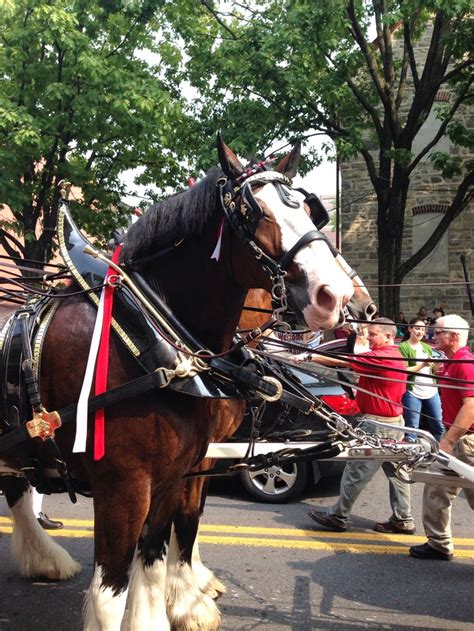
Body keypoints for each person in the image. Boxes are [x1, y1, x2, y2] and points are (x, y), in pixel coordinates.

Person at [296, 318, 425, 534]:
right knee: (397, 473)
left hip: (378, 426)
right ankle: (403, 520)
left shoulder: (381, 357)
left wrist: (309, 355)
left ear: (388, 336)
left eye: (373, 334)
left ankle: (337, 516)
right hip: (393, 423)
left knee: (356, 471)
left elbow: (343, 360)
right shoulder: (394, 354)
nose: (369, 338)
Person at [410, 314, 474, 561]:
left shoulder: (465, 363)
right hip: (455, 440)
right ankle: (438, 544)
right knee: (436, 489)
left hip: (467, 442)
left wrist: (447, 440)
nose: (431, 336)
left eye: (437, 333)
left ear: (454, 336)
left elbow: (471, 405)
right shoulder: (451, 362)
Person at [399, 318, 444, 442]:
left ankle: (443, 452)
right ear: (410, 329)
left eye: (423, 329)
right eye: (417, 328)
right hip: (412, 391)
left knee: (439, 425)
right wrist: (422, 365)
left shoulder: (426, 347)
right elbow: (404, 371)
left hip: (431, 389)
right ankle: (410, 456)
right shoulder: (403, 347)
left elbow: (431, 370)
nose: (420, 332)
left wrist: (436, 366)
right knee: (412, 427)